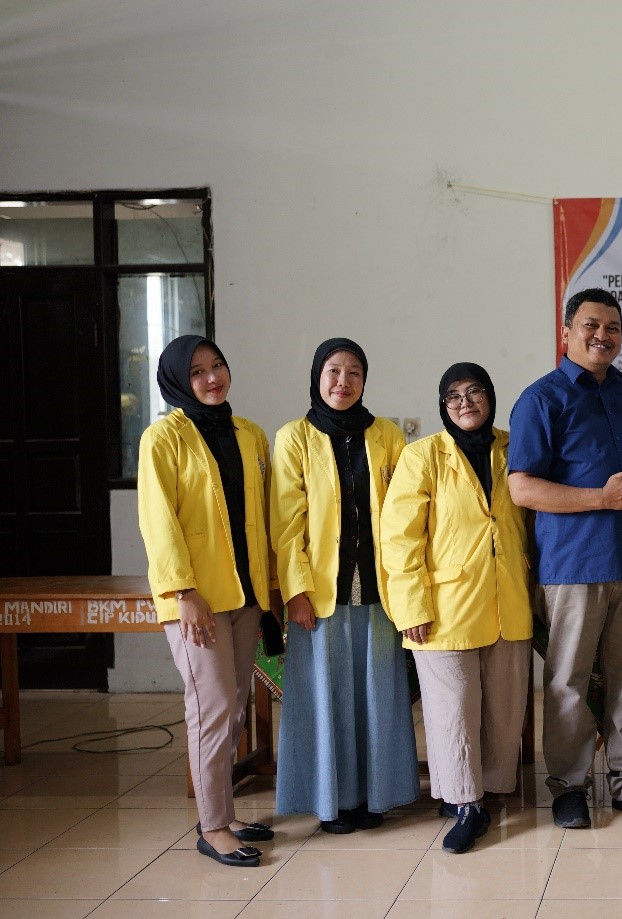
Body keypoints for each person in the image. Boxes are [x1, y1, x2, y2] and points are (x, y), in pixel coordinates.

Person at [508, 289, 622, 829]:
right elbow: (523, 489)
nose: (602, 335)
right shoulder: (541, 400)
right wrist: (598, 499)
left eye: (613, 327)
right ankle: (569, 786)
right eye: (590, 325)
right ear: (566, 331)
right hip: (575, 564)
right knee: (568, 680)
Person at [381, 363, 533, 854]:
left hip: (508, 598)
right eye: (453, 397)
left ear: (490, 396)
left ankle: (483, 790)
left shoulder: (514, 447)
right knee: (453, 711)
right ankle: (466, 804)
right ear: (442, 406)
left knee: (505, 707)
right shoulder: (421, 455)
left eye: (474, 393)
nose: (465, 403)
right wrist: (410, 607)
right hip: (444, 607)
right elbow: (399, 537)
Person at [271, 338, 420, 835]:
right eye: (333, 371)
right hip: (320, 594)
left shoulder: (387, 436)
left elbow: (405, 513)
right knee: (326, 697)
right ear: (317, 377)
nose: (343, 382)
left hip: (379, 592)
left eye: (354, 372)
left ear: (364, 380)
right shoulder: (294, 437)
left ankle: (376, 796)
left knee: (378, 693)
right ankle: (332, 801)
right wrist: (294, 591)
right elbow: (287, 523)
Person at [137, 334, 275, 867]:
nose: (212, 377)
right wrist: (182, 591)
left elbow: (262, 517)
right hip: (198, 599)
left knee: (233, 707)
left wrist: (270, 593)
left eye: (217, 365)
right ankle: (213, 826)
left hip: (245, 593)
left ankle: (227, 812)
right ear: (177, 380)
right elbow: (158, 522)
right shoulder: (162, 439)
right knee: (211, 708)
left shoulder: (250, 435)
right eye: (197, 371)